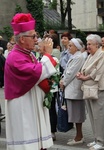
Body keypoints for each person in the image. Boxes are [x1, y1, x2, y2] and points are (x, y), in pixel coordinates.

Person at [4, 13, 57, 150]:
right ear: (22, 39)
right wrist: (48, 55)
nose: (36, 39)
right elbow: (36, 73)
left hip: (31, 102)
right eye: (33, 36)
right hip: (23, 105)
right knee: (27, 143)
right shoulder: (15, 56)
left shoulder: (28, 54)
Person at [77, 34, 104, 150]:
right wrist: (80, 74)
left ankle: (101, 142)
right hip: (89, 88)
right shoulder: (90, 55)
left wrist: (85, 77)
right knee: (92, 115)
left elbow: (98, 71)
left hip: (99, 88)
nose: (88, 46)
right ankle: (96, 139)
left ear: (97, 44)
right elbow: (84, 69)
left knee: (98, 116)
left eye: (90, 44)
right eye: (87, 44)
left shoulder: (102, 54)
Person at [60, 38, 86, 145]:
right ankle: (78, 136)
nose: (69, 47)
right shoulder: (74, 56)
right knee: (75, 114)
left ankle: (79, 136)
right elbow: (67, 71)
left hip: (74, 89)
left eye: (71, 46)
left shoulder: (79, 57)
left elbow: (71, 72)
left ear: (76, 47)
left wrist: (63, 82)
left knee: (77, 114)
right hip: (71, 88)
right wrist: (63, 79)